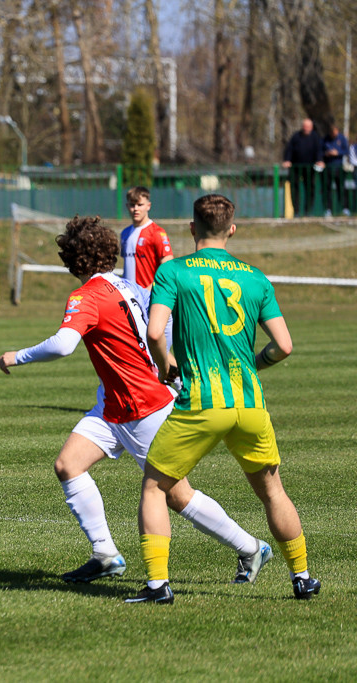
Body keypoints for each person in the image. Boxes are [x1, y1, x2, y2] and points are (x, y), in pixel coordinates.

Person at [0, 216, 270, 585]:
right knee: (68, 465)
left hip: (144, 407)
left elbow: (63, 345)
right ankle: (105, 554)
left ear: (72, 258)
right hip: (113, 405)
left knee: (176, 495)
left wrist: (17, 356)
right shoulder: (127, 286)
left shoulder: (85, 295)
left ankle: (251, 547)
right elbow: (165, 325)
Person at [128, 194, 320, 604]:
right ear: (232, 230)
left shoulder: (173, 271)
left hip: (202, 402)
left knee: (155, 487)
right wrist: (254, 364)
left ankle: (158, 585)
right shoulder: (255, 278)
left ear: (192, 228)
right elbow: (284, 346)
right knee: (273, 493)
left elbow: (155, 331)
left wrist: (166, 366)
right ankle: (302, 577)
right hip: (249, 404)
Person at [120, 186, 173, 289]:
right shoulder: (125, 233)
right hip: (128, 294)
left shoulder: (157, 232)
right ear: (127, 206)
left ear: (148, 206)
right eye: (132, 205)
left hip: (148, 294)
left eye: (140, 205)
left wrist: (149, 290)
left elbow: (168, 267)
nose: (136, 209)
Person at [281, 118, 324, 217]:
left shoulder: (315, 137)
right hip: (296, 167)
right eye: (304, 126)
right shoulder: (296, 136)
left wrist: (319, 160)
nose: (306, 128)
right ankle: (296, 211)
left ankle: (308, 211)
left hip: (310, 168)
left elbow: (319, 151)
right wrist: (287, 160)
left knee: (310, 188)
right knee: (294, 188)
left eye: (308, 127)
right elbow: (289, 149)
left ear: (311, 127)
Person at [322, 124, 349, 216]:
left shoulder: (342, 138)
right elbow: (320, 151)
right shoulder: (325, 139)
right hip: (328, 167)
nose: (334, 135)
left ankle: (344, 208)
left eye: (335, 133)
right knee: (327, 189)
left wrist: (338, 153)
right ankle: (328, 209)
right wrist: (326, 153)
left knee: (341, 188)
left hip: (339, 168)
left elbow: (346, 151)